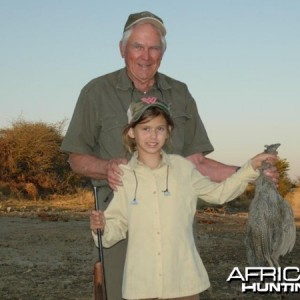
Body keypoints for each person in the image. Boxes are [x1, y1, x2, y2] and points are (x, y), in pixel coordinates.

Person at [61, 11, 278, 299]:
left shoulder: (180, 92)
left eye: (154, 48)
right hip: (120, 214)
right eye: (138, 46)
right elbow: (76, 157)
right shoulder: (95, 91)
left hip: (172, 219)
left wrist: (253, 171)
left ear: (163, 52)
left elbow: (197, 163)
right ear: (122, 49)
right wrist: (107, 167)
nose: (146, 56)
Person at [89, 97, 277, 300]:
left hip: (184, 284)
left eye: (160, 129)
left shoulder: (183, 168)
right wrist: (101, 226)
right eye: (145, 128)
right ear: (132, 132)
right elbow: (113, 230)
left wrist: (250, 167)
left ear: (168, 131)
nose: (153, 135)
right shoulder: (123, 176)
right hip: (141, 286)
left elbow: (219, 193)